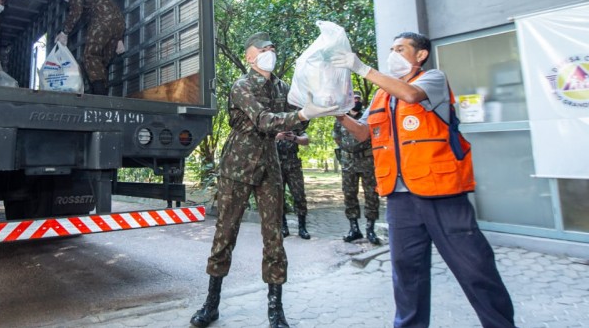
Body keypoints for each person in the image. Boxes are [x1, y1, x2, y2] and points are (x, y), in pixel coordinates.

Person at [330, 32, 515, 328]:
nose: (393, 54)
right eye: (391, 48)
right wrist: (338, 114)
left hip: (441, 193)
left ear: (421, 55)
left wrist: (363, 69)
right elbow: (363, 132)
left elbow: (411, 96)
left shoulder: (432, 79)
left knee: (475, 268)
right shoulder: (381, 94)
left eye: (401, 49)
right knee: (406, 273)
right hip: (399, 197)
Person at [190, 32, 339, 328]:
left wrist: (312, 104)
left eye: (273, 47)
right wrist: (300, 114)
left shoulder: (284, 87)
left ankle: (275, 311)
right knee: (225, 235)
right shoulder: (241, 86)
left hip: (270, 166)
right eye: (264, 48)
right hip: (237, 166)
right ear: (250, 55)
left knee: (274, 237)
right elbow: (263, 120)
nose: (270, 52)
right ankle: (211, 304)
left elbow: (299, 117)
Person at [56, 0, 125, 95]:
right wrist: (119, 38)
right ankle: (102, 94)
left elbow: (76, 11)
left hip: (102, 19)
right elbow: (112, 10)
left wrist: (64, 32)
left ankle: (99, 96)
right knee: (101, 62)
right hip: (118, 23)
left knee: (90, 56)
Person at [332, 91, 381, 245]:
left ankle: (370, 229)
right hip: (348, 164)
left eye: (358, 99)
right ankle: (354, 229)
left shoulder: (368, 116)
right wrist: (349, 149)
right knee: (349, 195)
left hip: (367, 162)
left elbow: (374, 135)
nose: (356, 101)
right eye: (354, 98)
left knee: (371, 195)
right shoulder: (342, 118)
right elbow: (337, 137)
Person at [274, 78, 311, 240]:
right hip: (276, 162)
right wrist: (279, 135)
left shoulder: (298, 122)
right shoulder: (273, 120)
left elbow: (306, 139)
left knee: (299, 196)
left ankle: (302, 227)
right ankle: (283, 227)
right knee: (278, 196)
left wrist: (294, 138)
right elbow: (265, 137)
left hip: (293, 163)